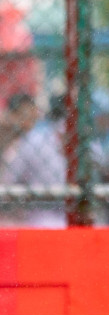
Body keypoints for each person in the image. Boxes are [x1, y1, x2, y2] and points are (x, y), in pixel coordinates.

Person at [0, 94, 66, 228]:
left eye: (32, 116)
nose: (29, 122)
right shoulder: (14, 139)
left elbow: (7, 181)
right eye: (24, 116)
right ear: (11, 116)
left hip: (38, 216)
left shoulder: (35, 139)